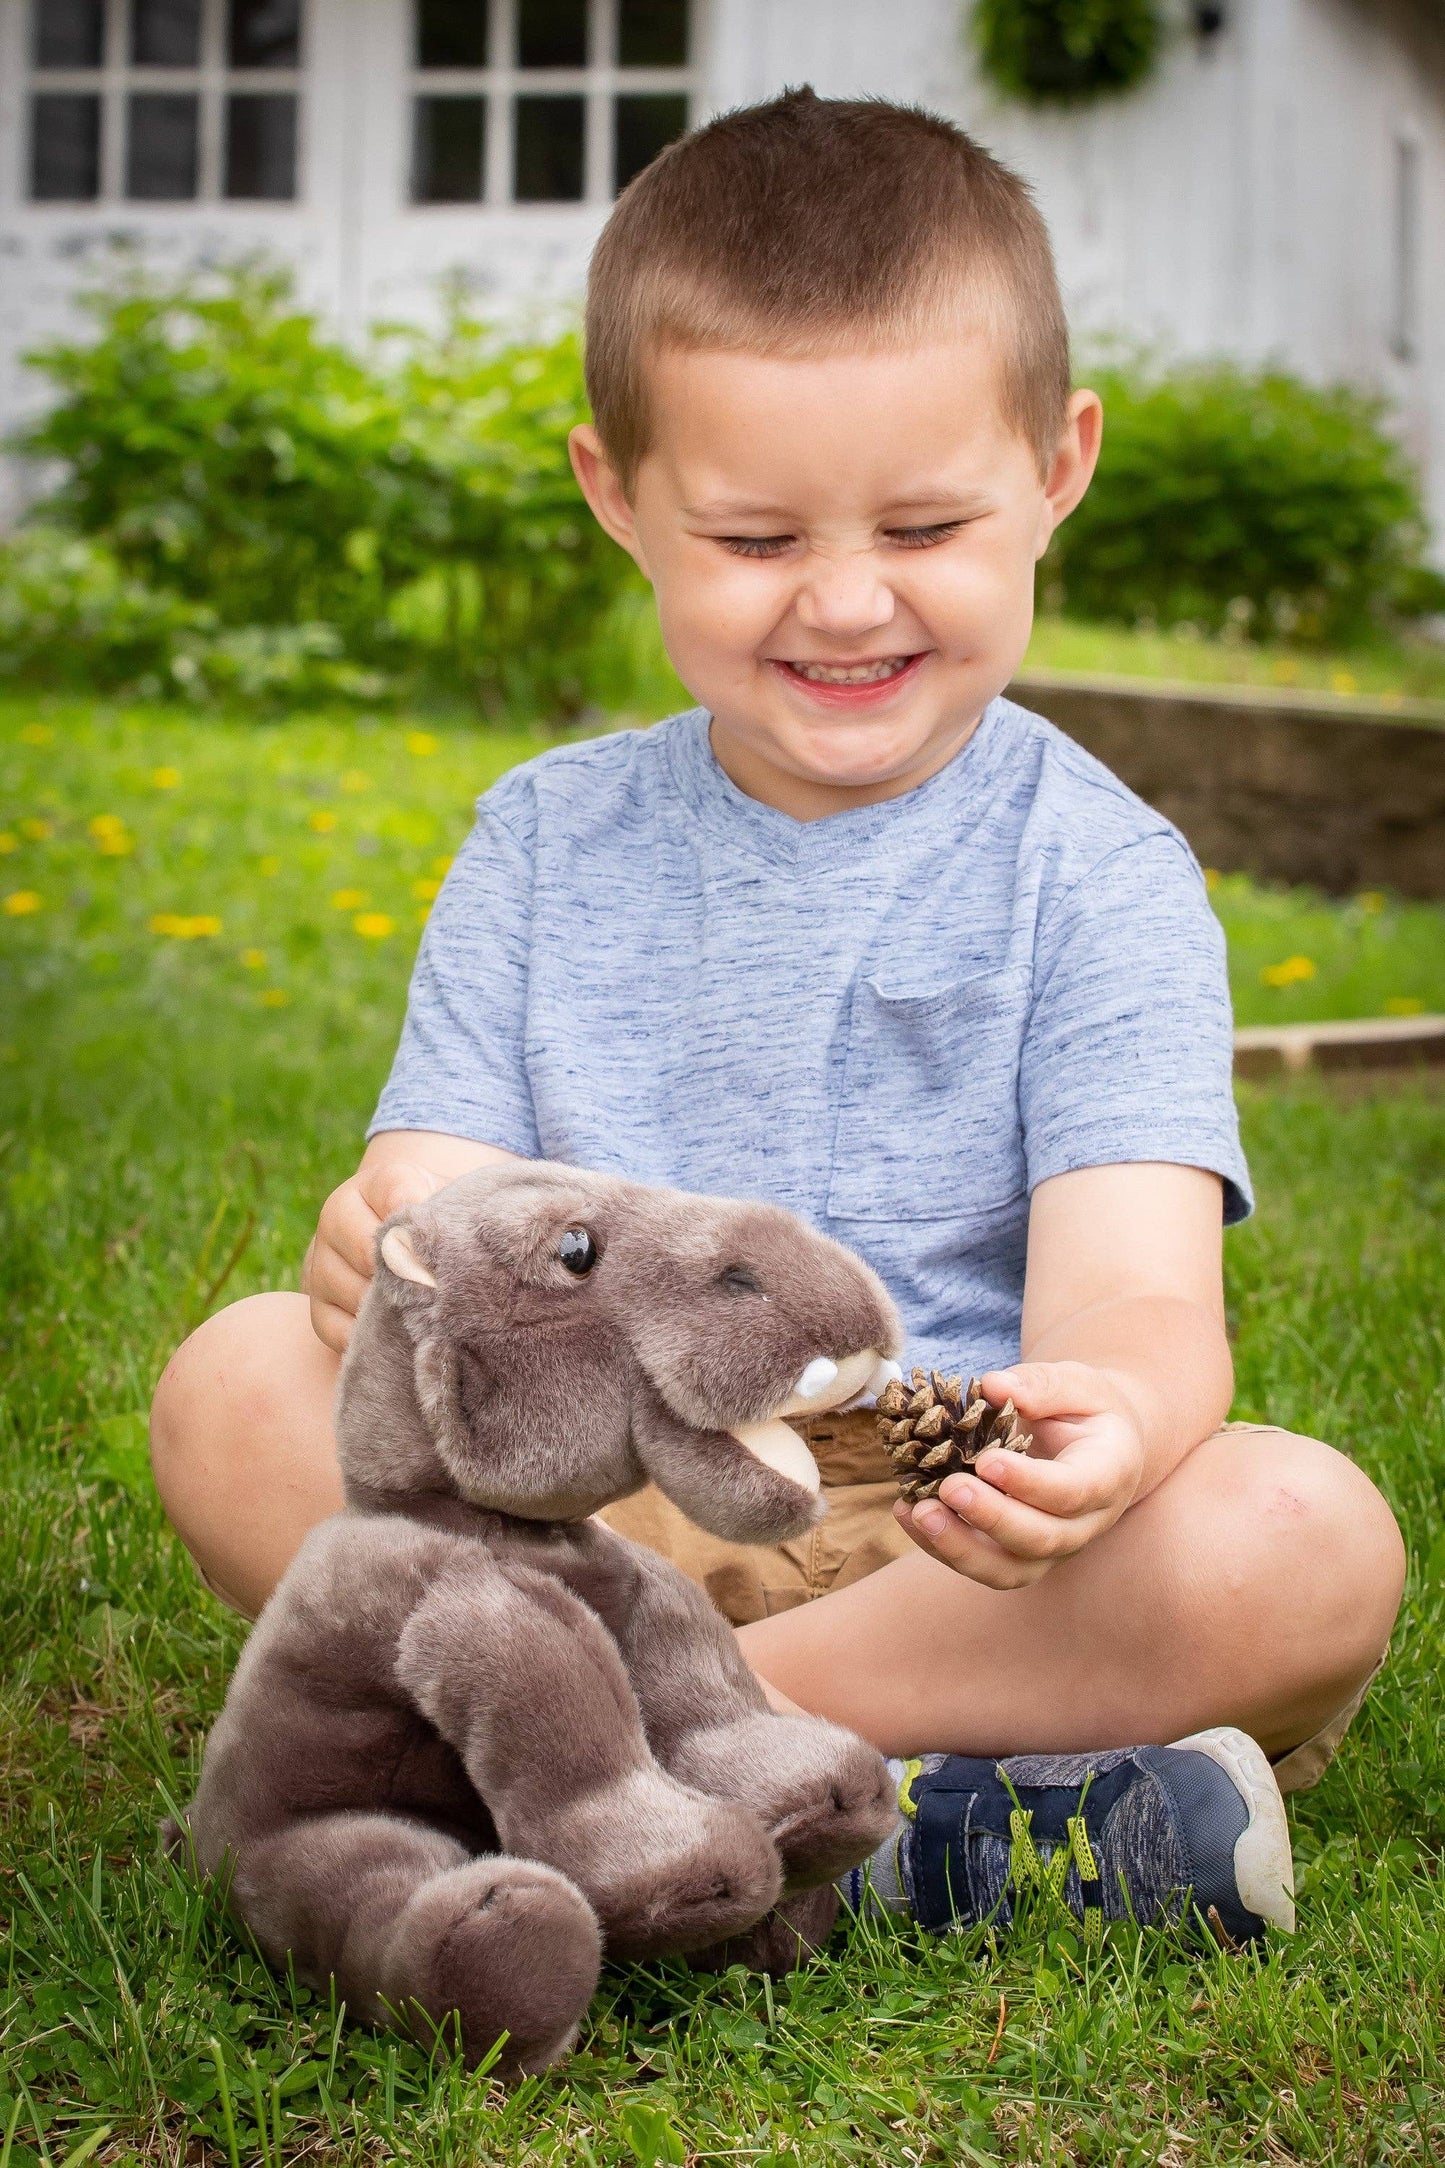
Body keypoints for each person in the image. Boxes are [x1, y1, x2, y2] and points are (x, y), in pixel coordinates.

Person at [150, 90, 1404, 1945]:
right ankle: (917, 1827)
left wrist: (1114, 1428)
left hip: (938, 1518)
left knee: (1303, 1540)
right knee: (232, 1386)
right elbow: (438, 1204)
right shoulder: (544, 837)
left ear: (1058, 466)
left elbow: (1136, 1301)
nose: (842, 599)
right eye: (749, 537)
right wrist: (391, 1245)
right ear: (615, 496)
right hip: (597, 1501)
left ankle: (626, 1770)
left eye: (923, 520)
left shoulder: (1101, 871)